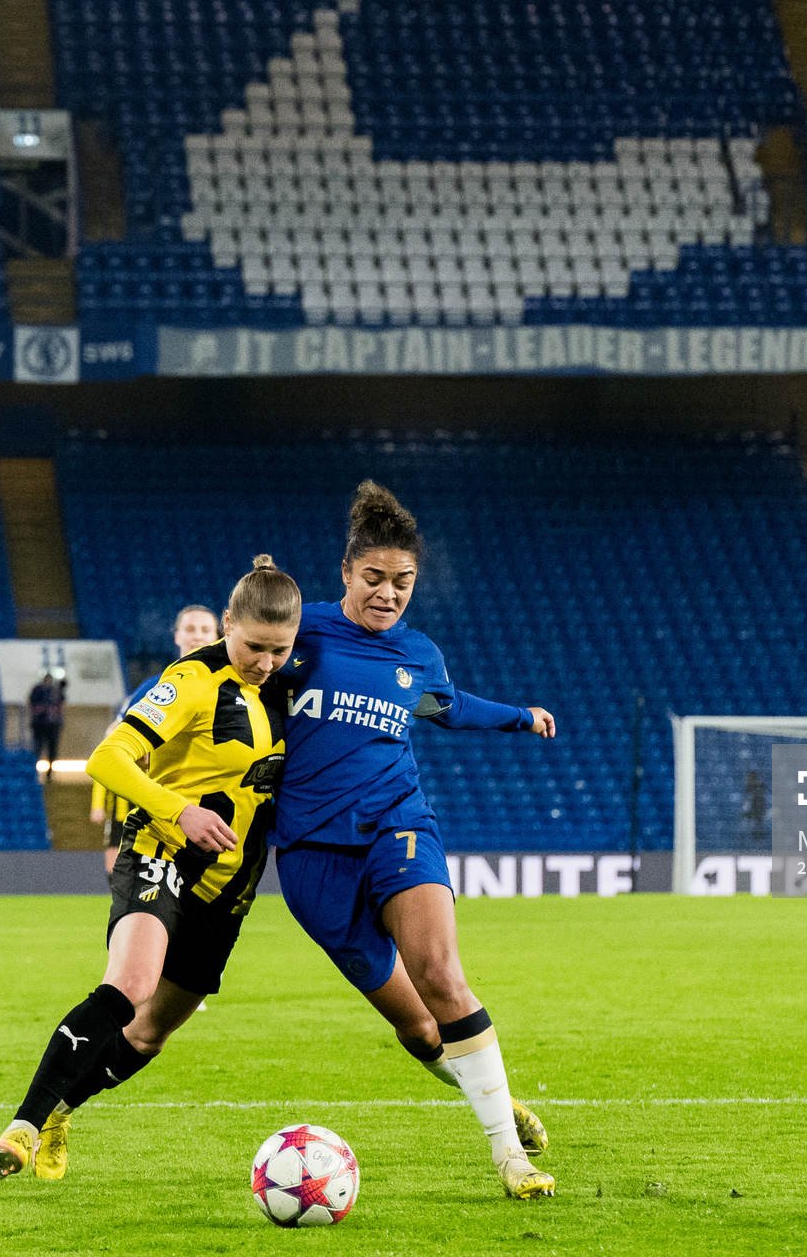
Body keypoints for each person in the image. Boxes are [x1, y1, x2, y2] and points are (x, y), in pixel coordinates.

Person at [272, 482, 557, 1200]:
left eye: (403, 583)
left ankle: (508, 1157)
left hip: (398, 825)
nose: (389, 594)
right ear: (346, 573)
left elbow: (447, 707)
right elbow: (233, 665)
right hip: (310, 851)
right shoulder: (300, 634)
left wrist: (520, 715)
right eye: (375, 579)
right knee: (420, 1029)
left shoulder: (417, 656)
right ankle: (497, 1100)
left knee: (440, 971)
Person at [0, 557, 299, 1181]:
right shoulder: (191, 680)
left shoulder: (290, 686)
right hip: (160, 849)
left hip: (231, 888)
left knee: (150, 1035)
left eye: (278, 650)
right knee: (129, 985)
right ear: (225, 623)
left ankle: (62, 1110)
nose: (264, 662)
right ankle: (21, 1125)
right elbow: (108, 757)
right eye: (253, 646)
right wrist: (178, 810)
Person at [92, 604, 222, 873]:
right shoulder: (158, 686)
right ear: (176, 636)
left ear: (218, 634)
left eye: (205, 629)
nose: (197, 636)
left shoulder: (235, 688)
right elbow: (113, 737)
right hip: (168, 808)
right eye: (190, 629)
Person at [28, 671, 66, 780]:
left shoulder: (56, 691)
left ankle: (49, 774)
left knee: (52, 751)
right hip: (40, 725)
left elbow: (61, 705)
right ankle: (35, 773)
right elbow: (33, 704)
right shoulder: (38, 690)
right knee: (37, 749)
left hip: (53, 726)